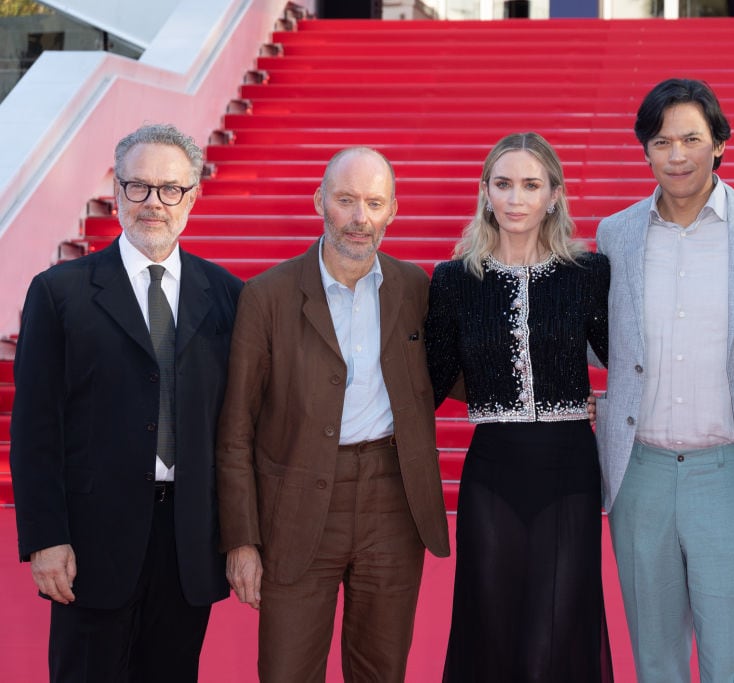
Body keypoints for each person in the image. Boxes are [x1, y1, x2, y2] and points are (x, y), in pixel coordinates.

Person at [10, 123, 243, 682]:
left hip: (189, 541)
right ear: (116, 191)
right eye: (138, 187)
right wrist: (45, 538)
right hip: (91, 541)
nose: (153, 203)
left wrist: (242, 537)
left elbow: (240, 428)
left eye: (170, 189)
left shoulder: (230, 296)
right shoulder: (59, 292)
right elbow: (35, 429)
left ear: (193, 195)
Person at [594, 78, 734, 682]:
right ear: (645, 151)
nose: (677, 155)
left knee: (732, 663)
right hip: (640, 474)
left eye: (692, 138)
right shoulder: (617, 235)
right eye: (662, 142)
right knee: (655, 660)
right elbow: (599, 336)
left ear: (719, 144)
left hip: (732, 472)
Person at [215, 146, 449, 683]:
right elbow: (235, 432)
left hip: (393, 502)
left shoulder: (415, 288)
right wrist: (241, 540)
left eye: (373, 202)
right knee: (287, 670)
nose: (359, 218)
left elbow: (457, 369)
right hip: (294, 505)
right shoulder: (266, 296)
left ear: (393, 210)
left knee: (381, 669)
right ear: (320, 200)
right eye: (346, 200)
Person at [426, 132, 614, 682]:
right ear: (485, 193)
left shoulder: (587, 275)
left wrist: (604, 401)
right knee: (491, 620)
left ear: (553, 196)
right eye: (503, 184)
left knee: (556, 626)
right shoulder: (455, 281)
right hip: (492, 472)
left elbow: (629, 360)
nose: (515, 198)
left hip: (568, 470)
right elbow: (429, 382)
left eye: (530, 185)